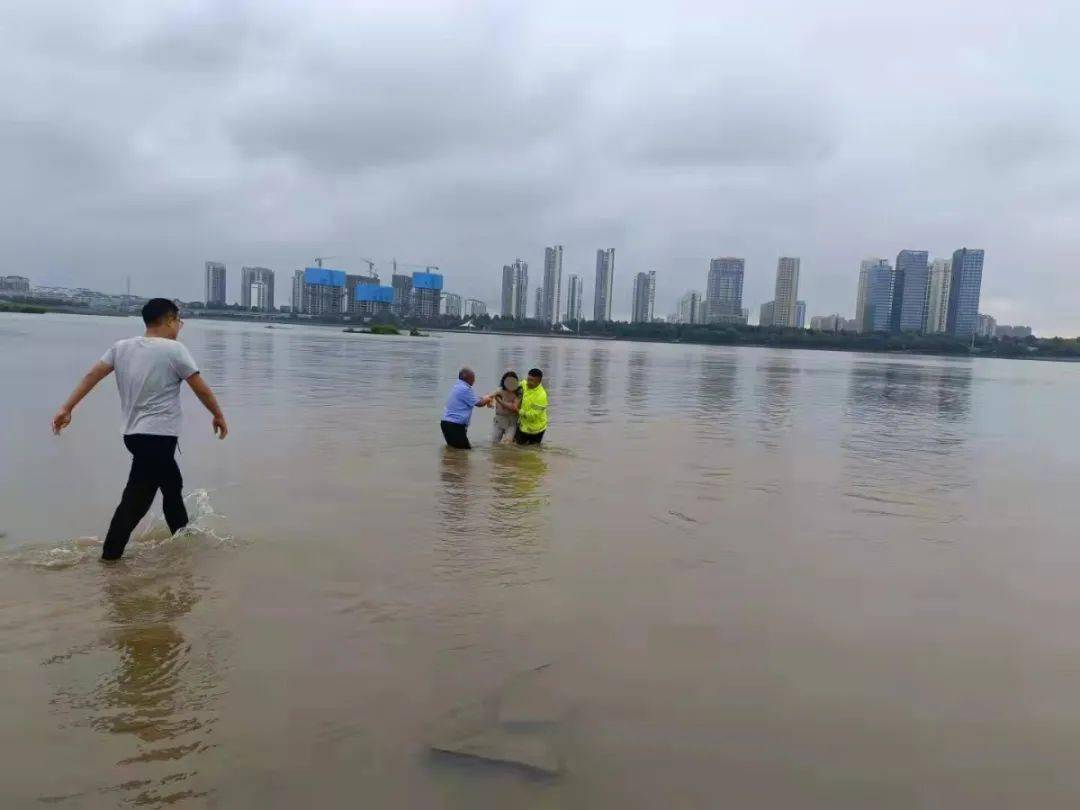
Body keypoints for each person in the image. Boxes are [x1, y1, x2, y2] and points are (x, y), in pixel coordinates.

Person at [51, 298, 228, 561]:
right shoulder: (174, 350)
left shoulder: (121, 348)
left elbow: (92, 375)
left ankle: (184, 545)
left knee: (171, 485)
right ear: (169, 319)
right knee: (138, 499)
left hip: (134, 435)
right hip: (158, 436)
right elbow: (199, 386)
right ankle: (110, 559)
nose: (180, 326)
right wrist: (218, 414)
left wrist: (67, 407)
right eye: (179, 321)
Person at [440, 367, 493, 449]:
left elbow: (474, 399)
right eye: (473, 378)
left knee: (454, 450)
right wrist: (488, 398)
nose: (474, 381)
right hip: (454, 426)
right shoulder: (465, 389)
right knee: (464, 452)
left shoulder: (458, 386)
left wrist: (485, 398)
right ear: (468, 378)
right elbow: (479, 403)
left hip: (448, 424)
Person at [514, 368, 548, 445]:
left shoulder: (541, 395)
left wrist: (517, 410)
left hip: (536, 430)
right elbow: (512, 387)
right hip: (523, 426)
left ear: (539, 381)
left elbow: (532, 416)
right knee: (517, 449)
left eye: (532, 380)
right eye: (528, 379)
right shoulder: (524, 384)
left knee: (532, 451)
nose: (528, 382)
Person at [490, 371, 521, 444]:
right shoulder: (499, 390)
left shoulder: (518, 393)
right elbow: (490, 396)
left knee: (508, 444)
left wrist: (500, 401)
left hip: (511, 421)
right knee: (494, 444)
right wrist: (489, 402)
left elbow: (514, 407)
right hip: (499, 420)